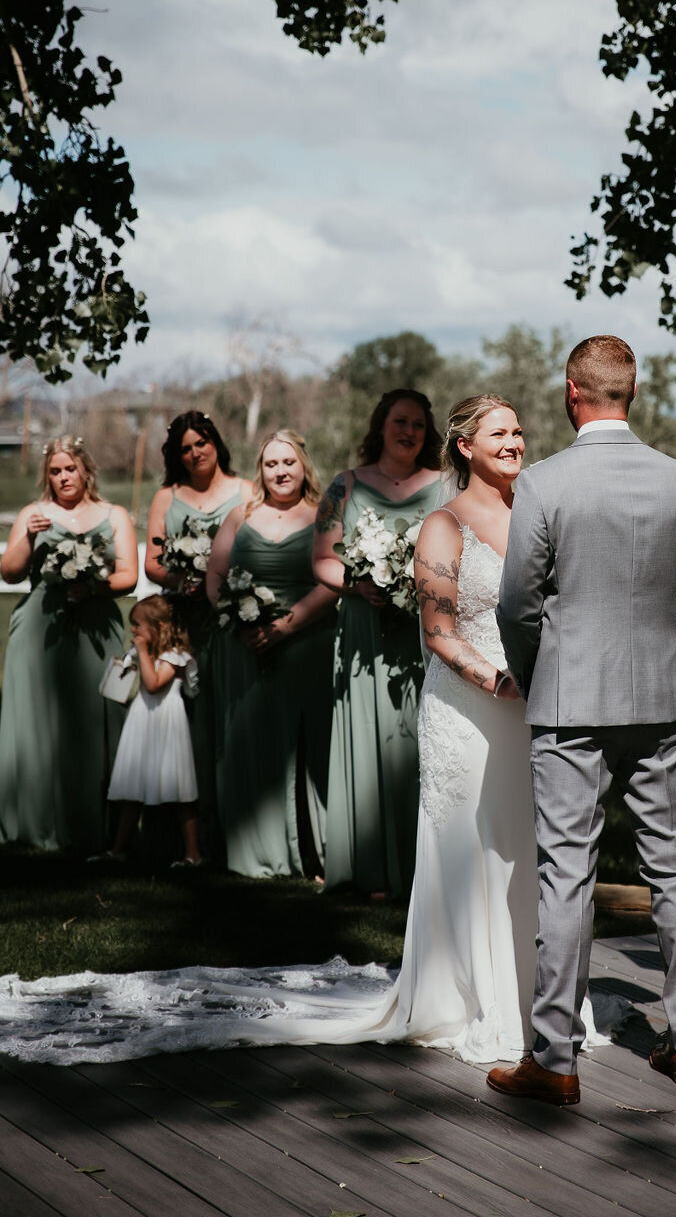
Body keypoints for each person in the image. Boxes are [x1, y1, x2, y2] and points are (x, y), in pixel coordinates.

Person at [0, 397, 625, 1065]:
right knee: (469, 848)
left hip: (530, 707)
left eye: (521, 431)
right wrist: (497, 681)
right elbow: (440, 632)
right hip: (472, 705)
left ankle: (543, 1000)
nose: (517, 441)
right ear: (466, 445)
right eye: (502, 432)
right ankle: (470, 997)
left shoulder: (534, 514)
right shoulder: (442, 526)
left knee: (525, 850)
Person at [488, 335, 676, 1108]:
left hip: (569, 703)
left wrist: (539, 671)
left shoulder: (545, 482)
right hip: (657, 701)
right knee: (674, 869)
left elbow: (518, 603)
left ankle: (554, 1061)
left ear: (570, 391)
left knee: (567, 873)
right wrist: (656, 649)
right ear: (632, 392)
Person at [313, 389, 444, 897]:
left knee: (419, 742)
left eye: (417, 423)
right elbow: (324, 559)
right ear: (380, 425)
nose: (408, 431)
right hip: (365, 632)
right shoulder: (345, 486)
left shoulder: (446, 486)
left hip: (423, 635)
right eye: (399, 421)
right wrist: (355, 585)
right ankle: (365, 866)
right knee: (367, 739)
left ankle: (421, 870)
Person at [206, 430, 336, 878]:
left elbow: (332, 583)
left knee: (307, 743)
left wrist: (285, 626)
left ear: (304, 467)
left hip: (307, 641)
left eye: (288, 463)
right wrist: (237, 622)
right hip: (243, 646)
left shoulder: (323, 516)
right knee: (250, 741)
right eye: (270, 464)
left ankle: (313, 851)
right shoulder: (240, 515)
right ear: (260, 471)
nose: (280, 471)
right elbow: (216, 574)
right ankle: (252, 847)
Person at [0, 436, 139, 852]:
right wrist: (26, 535)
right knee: (37, 719)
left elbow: (128, 576)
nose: (63, 477)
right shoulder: (34, 513)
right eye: (55, 471)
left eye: (70, 469)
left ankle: (94, 825)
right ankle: (33, 821)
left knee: (98, 716)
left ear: (86, 471)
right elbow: (9, 572)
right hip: (41, 625)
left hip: (97, 626)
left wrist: (93, 589)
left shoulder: (114, 514)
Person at [145, 410, 251, 855]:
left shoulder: (246, 490)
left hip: (232, 619)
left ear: (215, 442)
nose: (195, 453)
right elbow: (153, 562)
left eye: (201, 442)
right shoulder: (166, 497)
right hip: (182, 623)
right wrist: (181, 580)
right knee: (183, 723)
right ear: (176, 454)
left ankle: (234, 822)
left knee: (228, 715)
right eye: (185, 448)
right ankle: (185, 833)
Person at [94, 596, 201, 868]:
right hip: (142, 722)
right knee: (133, 791)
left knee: (180, 793)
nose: (134, 632)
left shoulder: (174, 657)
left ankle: (193, 854)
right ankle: (118, 849)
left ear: (159, 626)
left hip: (167, 726)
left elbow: (153, 685)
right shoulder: (147, 653)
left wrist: (142, 653)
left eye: (138, 626)